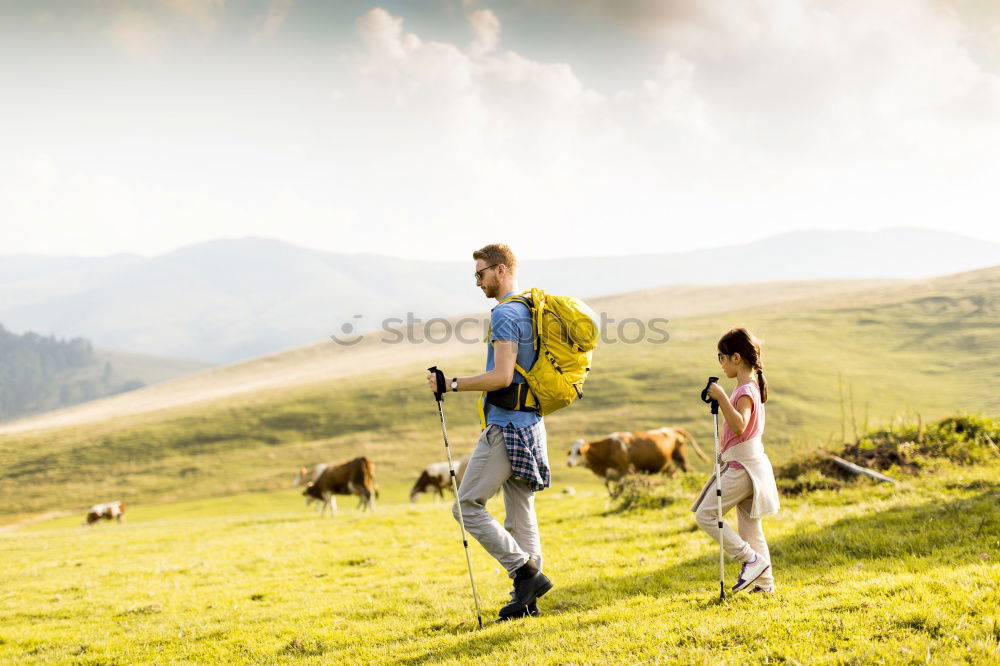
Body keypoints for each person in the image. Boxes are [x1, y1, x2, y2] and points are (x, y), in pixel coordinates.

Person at [425, 243, 552, 621]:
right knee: (520, 514)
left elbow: (501, 376)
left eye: (480, 274)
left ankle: (525, 573)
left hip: (506, 426)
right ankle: (527, 603)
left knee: (465, 506)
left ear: (500, 270)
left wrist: (451, 383)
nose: (477, 282)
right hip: (532, 424)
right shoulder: (532, 309)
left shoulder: (505, 315)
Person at [691, 327, 780, 594]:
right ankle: (764, 585)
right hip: (752, 467)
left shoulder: (744, 391)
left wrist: (720, 397)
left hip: (742, 470)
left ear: (737, 358)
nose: (721, 363)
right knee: (751, 529)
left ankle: (750, 560)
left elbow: (740, 426)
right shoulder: (750, 388)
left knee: (705, 514)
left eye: (722, 357)